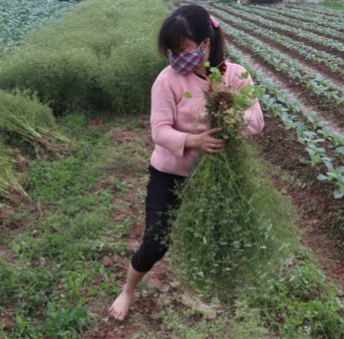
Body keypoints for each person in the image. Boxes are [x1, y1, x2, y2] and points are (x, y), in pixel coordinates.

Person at [107, 4, 264, 321]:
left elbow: (257, 121)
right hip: (170, 174)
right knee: (155, 242)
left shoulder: (236, 76)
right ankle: (127, 290)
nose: (175, 58)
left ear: (205, 44)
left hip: (216, 177)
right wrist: (194, 141)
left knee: (203, 237)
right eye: (171, 51)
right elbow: (159, 131)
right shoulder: (167, 81)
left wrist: (234, 115)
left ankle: (193, 292)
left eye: (181, 49)